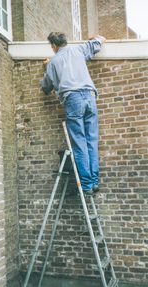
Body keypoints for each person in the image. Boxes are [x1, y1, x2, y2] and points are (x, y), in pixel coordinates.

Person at [40, 32, 106, 195]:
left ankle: (86, 185)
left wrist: (47, 67)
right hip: (90, 98)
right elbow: (101, 39)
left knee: (80, 142)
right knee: (92, 140)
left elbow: (46, 87)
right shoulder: (79, 50)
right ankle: (94, 182)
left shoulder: (53, 62)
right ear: (65, 42)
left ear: (54, 46)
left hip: (74, 101)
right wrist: (92, 38)